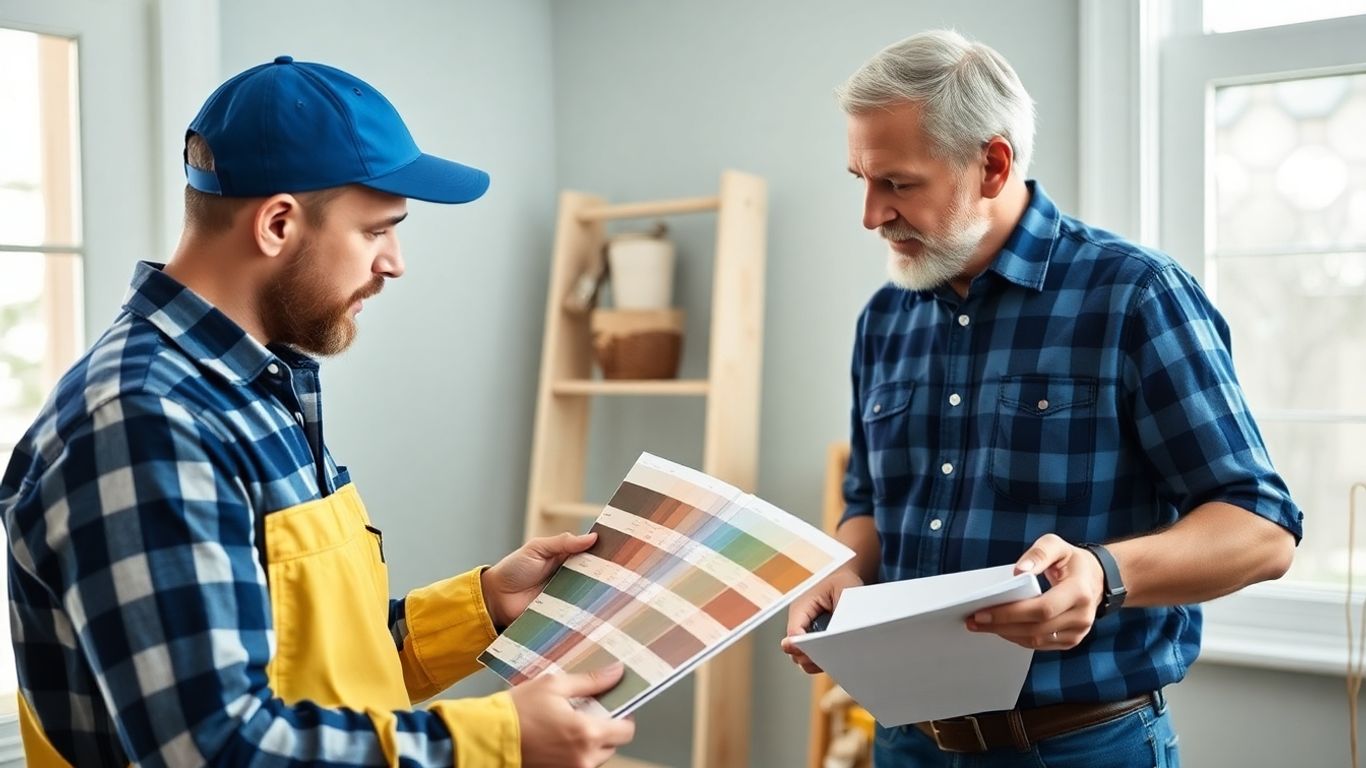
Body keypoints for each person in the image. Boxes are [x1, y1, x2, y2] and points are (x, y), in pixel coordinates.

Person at [1, 56, 634, 767]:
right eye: (376, 230)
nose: (395, 262)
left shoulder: (256, 385)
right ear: (277, 224)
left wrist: (481, 608)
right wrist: (496, 742)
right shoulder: (143, 423)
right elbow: (210, 749)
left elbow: (312, 668)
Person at [782, 30, 1302, 766]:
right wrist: (841, 572)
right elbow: (867, 505)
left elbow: (1263, 529)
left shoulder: (1134, 294)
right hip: (905, 745)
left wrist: (1104, 572)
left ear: (991, 164)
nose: (871, 215)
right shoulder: (885, 318)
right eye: (860, 180)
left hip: (1083, 747)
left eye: (897, 183)